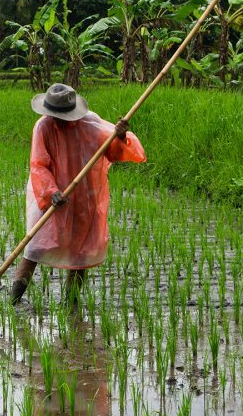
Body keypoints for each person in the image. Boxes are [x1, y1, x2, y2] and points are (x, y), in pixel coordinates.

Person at [10, 83, 146, 305]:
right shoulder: (43, 127)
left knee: (80, 252)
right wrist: (52, 192)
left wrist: (120, 137)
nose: (58, 120)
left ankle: (70, 302)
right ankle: (13, 299)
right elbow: (38, 164)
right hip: (51, 195)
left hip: (85, 195)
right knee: (34, 247)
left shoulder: (90, 123)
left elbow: (112, 152)